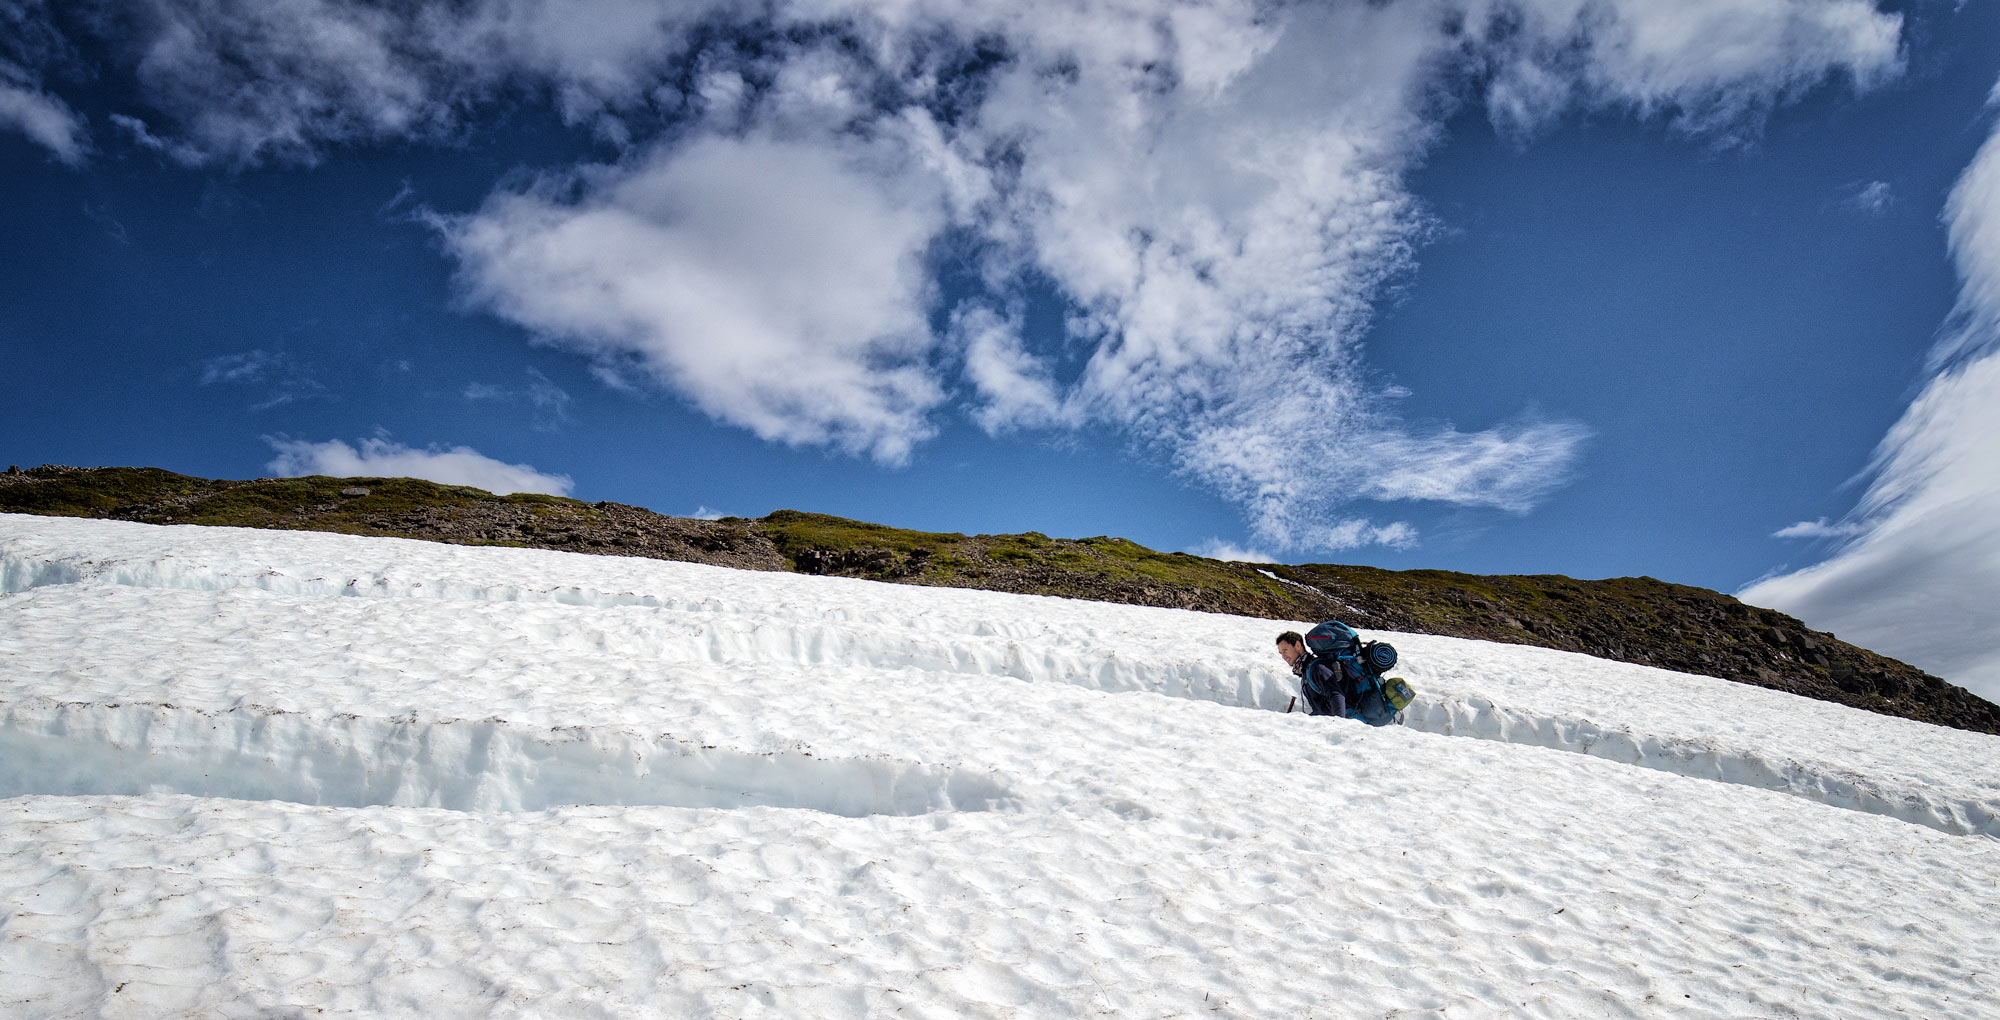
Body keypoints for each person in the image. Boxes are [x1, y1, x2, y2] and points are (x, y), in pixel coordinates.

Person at [1276, 629, 1396, 724]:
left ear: (1298, 645)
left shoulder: (1316, 668)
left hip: (1350, 723)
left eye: (1285, 650)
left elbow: (1336, 695)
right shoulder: (1308, 671)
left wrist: (1339, 726)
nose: (1283, 656)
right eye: (1281, 653)